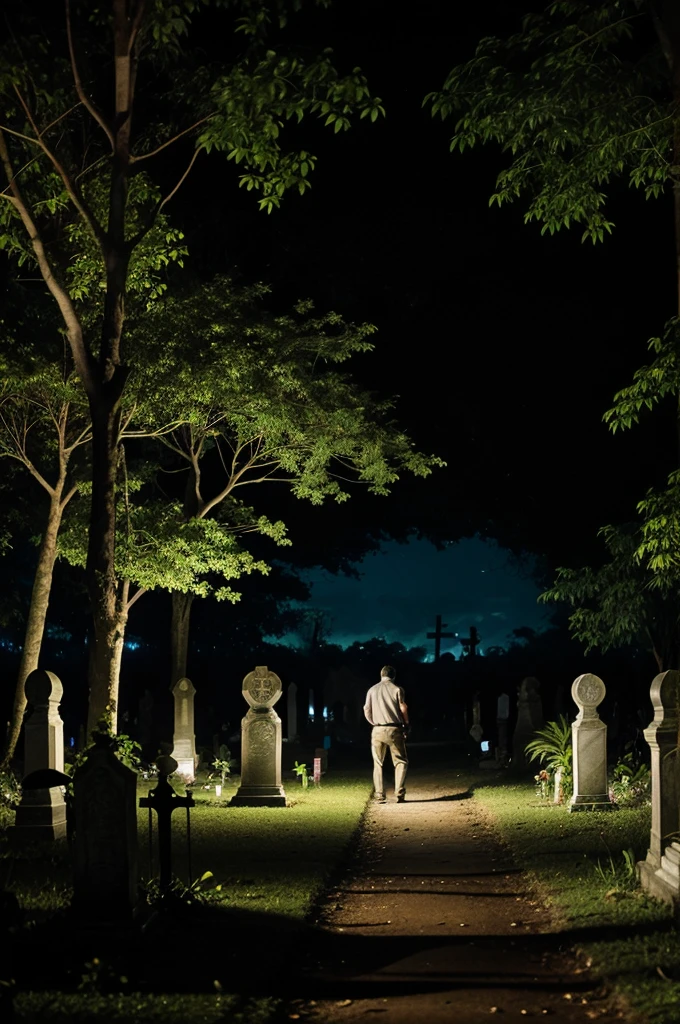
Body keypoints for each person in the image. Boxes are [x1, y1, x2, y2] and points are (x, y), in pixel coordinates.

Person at [363, 665, 409, 803]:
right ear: (393, 676)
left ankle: (379, 794)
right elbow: (403, 707)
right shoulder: (396, 689)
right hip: (394, 729)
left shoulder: (372, 689)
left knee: (378, 763)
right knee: (400, 761)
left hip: (377, 729)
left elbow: (366, 709)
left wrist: (373, 723)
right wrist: (406, 724)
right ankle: (399, 792)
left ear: (381, 674)